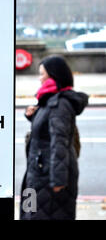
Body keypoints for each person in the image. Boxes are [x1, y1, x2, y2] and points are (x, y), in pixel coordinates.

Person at [20, 56, 88, 220]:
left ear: (53, 76)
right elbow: (46, 130)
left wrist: (58, 180)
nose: (39, 78)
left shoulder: (59, 104)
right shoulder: (48, 101)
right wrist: (34, 116)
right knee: (30, 211)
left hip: (49, 177)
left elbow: (60, 141)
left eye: (42, 74)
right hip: (37, 172)